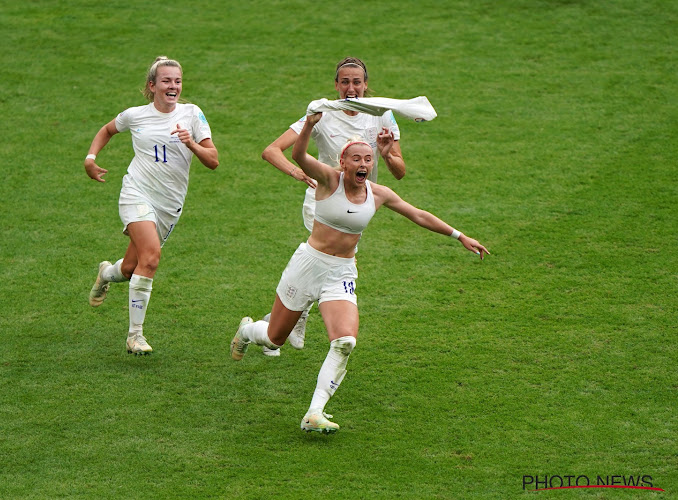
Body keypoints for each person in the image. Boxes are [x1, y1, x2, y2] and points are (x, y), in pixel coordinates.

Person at [231, 112, 489, 434]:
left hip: (341, 272)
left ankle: (314, 412)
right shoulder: (328, 180)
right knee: (274, 337)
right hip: (307, 265)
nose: (363, 164)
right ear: (343, 162)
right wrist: (310, 124)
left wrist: (459, 236)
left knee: (345, 341)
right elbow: (297, 155)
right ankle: (246, 331)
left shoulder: (378, 193)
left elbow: (418, 215)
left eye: (368, 158)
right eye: (356, 158)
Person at [259, 56, 407, 356]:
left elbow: (400, 171)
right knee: (327, 261)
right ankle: (293, 319)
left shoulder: (381, 114)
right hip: (325, 199)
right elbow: (272, 150)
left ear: (366, 85)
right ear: (336, 85)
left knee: (334, 263)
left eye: (356, 82)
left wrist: (386, 153)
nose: (351, 87)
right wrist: (296, 171)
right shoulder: (322, 113)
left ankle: (283, 319)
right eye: (345, 82)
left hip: (360, 202)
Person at [84, 56, 218, 354]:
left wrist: (191, 144)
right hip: (137, 193)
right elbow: (107, 130)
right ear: (153, 86)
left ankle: (107, 273)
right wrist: (90, 159)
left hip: (169, 204)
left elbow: (213, 161)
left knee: (133, 268)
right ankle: (135, 335)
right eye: (167, 81)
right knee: (153, 258)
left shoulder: (193, 114)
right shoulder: (135, 116)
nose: (173, 86)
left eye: (178, 81)